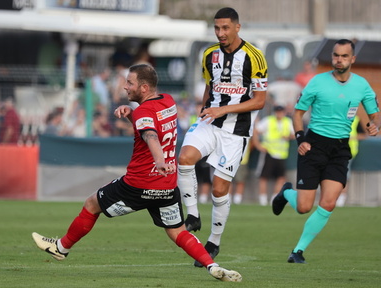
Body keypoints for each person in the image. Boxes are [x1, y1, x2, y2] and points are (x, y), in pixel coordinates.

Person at [32, 64, 242, 282]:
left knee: (91, 204)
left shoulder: (144, 111)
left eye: (129, 83)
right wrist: (132, 115)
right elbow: (151, 126)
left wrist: (158, 160)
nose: (125, 87)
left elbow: (150, 135)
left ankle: (61, 248)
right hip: (167, 185)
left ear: (143, 87)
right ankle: (212, 265)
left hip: (138, 185)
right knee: (177, 232)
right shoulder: (168, 101)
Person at [272, 39, 381, 264]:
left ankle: (298, 251)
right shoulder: (317, 82)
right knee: (303, 207)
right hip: (314, 145)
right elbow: (298, 113)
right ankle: (286, 193)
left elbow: (374, 114)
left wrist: (374, 124)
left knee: (329, 203)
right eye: (335, 55)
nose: (338, 60)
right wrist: (300, 138)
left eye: (343, 56)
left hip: (340, 149)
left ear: (353, 59)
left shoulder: (361, 85)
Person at [177, 7, 268, 267]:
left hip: (236, 131)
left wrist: (224, 108)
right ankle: (193, 215)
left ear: (237, 27)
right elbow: (210, 84)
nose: (221, 33)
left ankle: (214, 241)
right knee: (184, 159)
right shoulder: (209, 55)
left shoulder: (255, 57)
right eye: (217, 28)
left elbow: (260, 101)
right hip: (209, 121)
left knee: (219, 189)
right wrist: (205, 107)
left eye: (226, 28)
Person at [253, 105, 294, 206]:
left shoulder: (287, 122)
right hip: (269, 152)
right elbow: (255, 131)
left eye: (281, 111)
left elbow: (293, 135)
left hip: (282, 154)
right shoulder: (268, 120)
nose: (279, 114)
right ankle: (262, 199)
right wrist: (258, 145)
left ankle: (274, 198)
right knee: (264, 177)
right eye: (277, 111)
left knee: (281, 177)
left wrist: (288, 136)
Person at [336, 116, 366, 207]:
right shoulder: (336, 117)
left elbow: (363, 135)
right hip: (334, 152)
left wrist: (351, 137)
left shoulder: (356, 120)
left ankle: (341, 199)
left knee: (344, 176)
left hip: (349, 153)